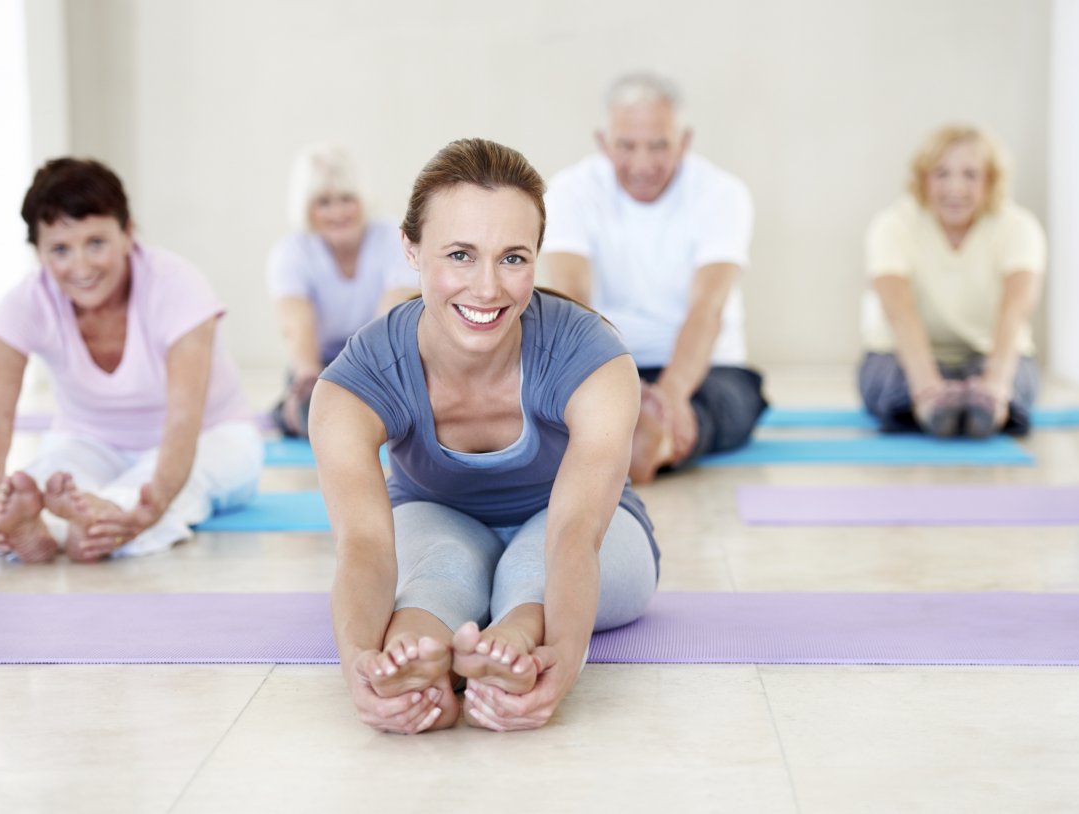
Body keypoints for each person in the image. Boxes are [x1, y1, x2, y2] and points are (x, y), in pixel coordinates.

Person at [310, 138, 659, 734]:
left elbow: (574, 536)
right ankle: (415, 664)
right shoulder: (355, 383)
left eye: (513, 258)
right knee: (437, 572)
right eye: (461, 255)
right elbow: (365, 547)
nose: (488, 288)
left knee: (532, 570)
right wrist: (359, 672)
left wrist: (562, 665)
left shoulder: (595, 360)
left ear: (537, 258)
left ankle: (511, 649)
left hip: (585, 526)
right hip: (431, 514)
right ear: (411, 249)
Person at [0, 157, 262, 563]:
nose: (81, 267)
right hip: (90, 440)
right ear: (38, 252)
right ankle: (47, 532)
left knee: (161, 490)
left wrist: (151, 506)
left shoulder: (177, 286)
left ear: (128, 233)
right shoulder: (24, 304)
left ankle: (100, 523)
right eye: (60, 250)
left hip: (213, 437)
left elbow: (183, 418)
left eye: (96, 243)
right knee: (43, 480)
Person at [542, 71, 767, 483]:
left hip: (705, 372)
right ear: (603, 142)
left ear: (684, 141)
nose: (643, 164)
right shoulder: (570, 190)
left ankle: (645, 438)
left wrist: (672, 395)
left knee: (688, 416)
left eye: (659, 146)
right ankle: (624, 434)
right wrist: (602, 384)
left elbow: (708, 306)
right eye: (627, 146)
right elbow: (570, 299)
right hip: (605, 364)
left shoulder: (722, 193)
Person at [859, 125, 1047, 437]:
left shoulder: (1020, 227)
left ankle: (985, 411)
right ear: (923, 179)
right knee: (891, 380)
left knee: (1011, 384)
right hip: (904, 354)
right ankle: (938, 411)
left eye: (970, 175)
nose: (955, 187)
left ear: (990, 181)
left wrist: (996, 382)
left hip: (991, 353)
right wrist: (926, 386)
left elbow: (1016, 308)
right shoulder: (891, 226)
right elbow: (899, 310)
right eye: (941, 173)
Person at [267, 143, 418, 437]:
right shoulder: (291, 251)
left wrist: (373, 378)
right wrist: (309, 379)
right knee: (312, 414)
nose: (337, 212)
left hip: (378, 360)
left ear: (362, 199)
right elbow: (296, 326)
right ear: (307, 208)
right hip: (321, 365)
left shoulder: (392, 238)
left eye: (347, 199)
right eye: (324, 202)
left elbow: (391, 316)